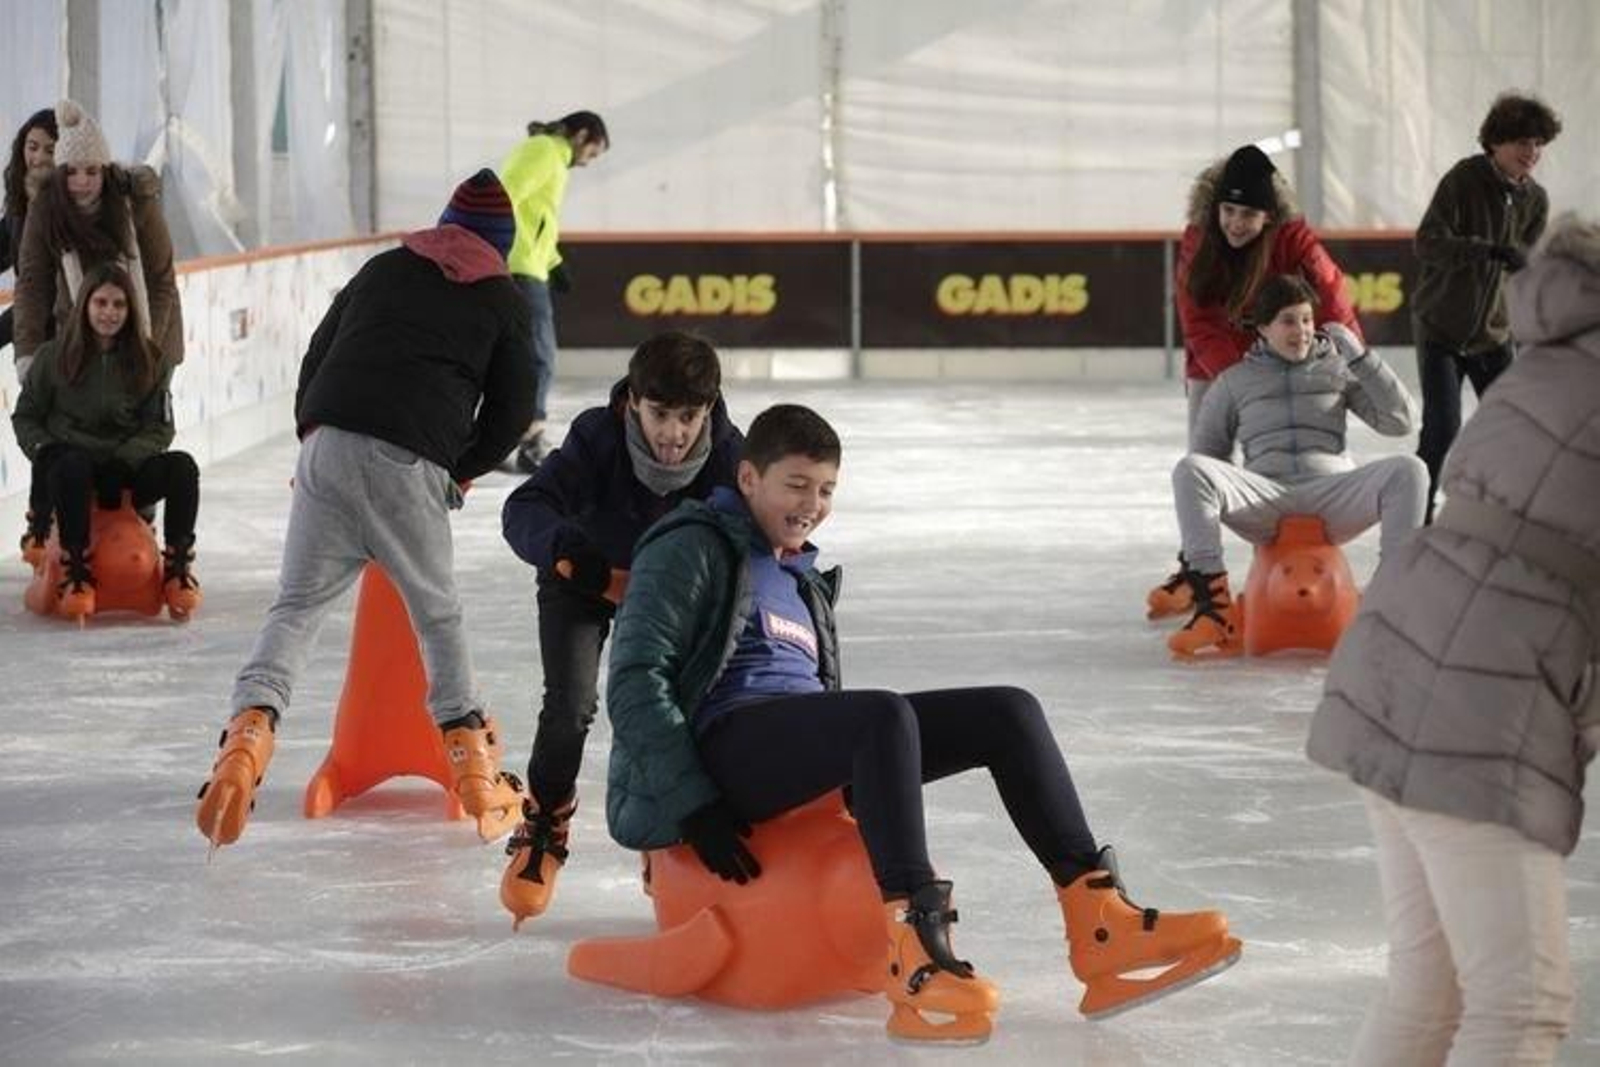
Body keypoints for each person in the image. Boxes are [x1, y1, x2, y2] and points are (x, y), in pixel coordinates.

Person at [602, 403, 1241, 1041]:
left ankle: (1102, 922)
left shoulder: (799, 576)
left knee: (1007, 712)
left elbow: (820, 701)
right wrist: (693, 802)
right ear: (748, 479)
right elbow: (634, 679)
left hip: (787, 750)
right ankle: (918, 950)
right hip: (720, 753)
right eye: (795, 485)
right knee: (881, 715)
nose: (812, 504)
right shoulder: (690, 545)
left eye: (825, 490)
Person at [1306, 213, 1600, 1066]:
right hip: (1478, 694)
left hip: (1402, 655)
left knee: (1430, 993)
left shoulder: (1560, 348)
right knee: (1519, 1006)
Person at [195, 170, 535, 851]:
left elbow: (319, 354)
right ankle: (473, 771)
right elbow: (513, 412)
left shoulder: (383, 269)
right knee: (436, 613)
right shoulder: (501, 299)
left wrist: (312, 434)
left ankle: (247, 736)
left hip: (327, 444)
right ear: (500, 243)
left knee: (294, 608)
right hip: (409, 460)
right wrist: (457, 469)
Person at [497, 330, 743, 927]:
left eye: (689, 417)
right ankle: (547, 816)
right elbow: (524, 506)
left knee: (680, 704)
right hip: (582, 580)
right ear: (633, 401)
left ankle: (667, 836)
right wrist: (564, 550)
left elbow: (752, 533)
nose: (674, 434)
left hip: (666, 596)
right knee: (572, 705)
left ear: (708, 409)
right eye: (660, 414)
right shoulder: (596, 436)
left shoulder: (729, 456)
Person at [1162, 274, 1425, 658]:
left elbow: (1401, 422)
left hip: (1333, 495)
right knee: (1190, 469)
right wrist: (1199, 546)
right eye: (1288, 321)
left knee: (1410, 470)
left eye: (1306, 319)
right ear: (1263, 327)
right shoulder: (1233, 382)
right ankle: (1214, 609)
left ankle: (1387, 607)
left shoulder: (1339, 369)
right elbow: (1208, 459)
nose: (1301, 331)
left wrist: (1362, 360)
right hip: (1266, 500)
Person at [1150, 144, 1362, 619]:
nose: (1236, 223)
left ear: (1268, 216)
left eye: (1248, 213)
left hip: (1288, 355)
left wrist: (1348, 359)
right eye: (1228, 210)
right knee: (1204, 465)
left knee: (1284, 454)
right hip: (1214, 366)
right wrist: (1243, 381)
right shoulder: (1199, 239)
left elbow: (1332, 299)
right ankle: (1199, 573)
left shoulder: (1293, 239)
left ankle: (1293, 563)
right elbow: (1198, 320)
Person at [10, 263, 198, 620]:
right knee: (71, 465)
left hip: (122, 471)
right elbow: (26, 417)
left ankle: (176, 568)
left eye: (119, 305)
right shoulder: (53, 357)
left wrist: (126, 459)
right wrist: (46, 449)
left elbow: (160, 427)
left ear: (130, 310)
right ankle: (74, 567)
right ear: (85, 306)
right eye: (101, 303)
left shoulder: (149, 360)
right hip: (70, 469)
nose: (109, 313)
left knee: (182, 468)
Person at [1412, 91, 1561, 524]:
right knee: (1442, 429)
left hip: (1494, 334)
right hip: (1440, 326)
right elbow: (1428, 243)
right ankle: (1417, 515)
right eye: (1521, 142)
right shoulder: (1464, 179)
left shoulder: (1537, 200)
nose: (1531, 153)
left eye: (1537, 144)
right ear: (1495, 142)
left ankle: (1508, 516)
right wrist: (1487, 250)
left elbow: (1525, 269)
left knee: (1513, 429)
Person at [12, 99, 183, 377]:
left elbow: (160, 279)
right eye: (71, 172)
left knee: (142, 418)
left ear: (105, 171)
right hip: (81, 339)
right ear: (59, 173)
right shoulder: (45, 209)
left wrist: (146, 349)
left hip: (151, 331)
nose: (82, 182)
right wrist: (27, 356)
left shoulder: (135, 201)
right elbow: (33, 285)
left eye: (92, 171)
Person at [499, 110, 609, 472]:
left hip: (528, 263)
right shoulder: (546, 150)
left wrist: (553, 261)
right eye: (592, 152)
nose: (589, 162)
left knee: (512, 355)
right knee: (540, 355)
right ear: (581, 135)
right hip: (520, 267)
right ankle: (530, 440)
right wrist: (501, 248)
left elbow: (535, 218)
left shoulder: (549, 156)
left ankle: (499, 438)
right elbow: (506, 195)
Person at [1, 107, 58, 363]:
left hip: (63, 340)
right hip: (32, 340)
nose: (38, 158)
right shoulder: (19, 205)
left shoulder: (65, 213)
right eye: (32, 147)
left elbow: (41, 290)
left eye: (50, 150)